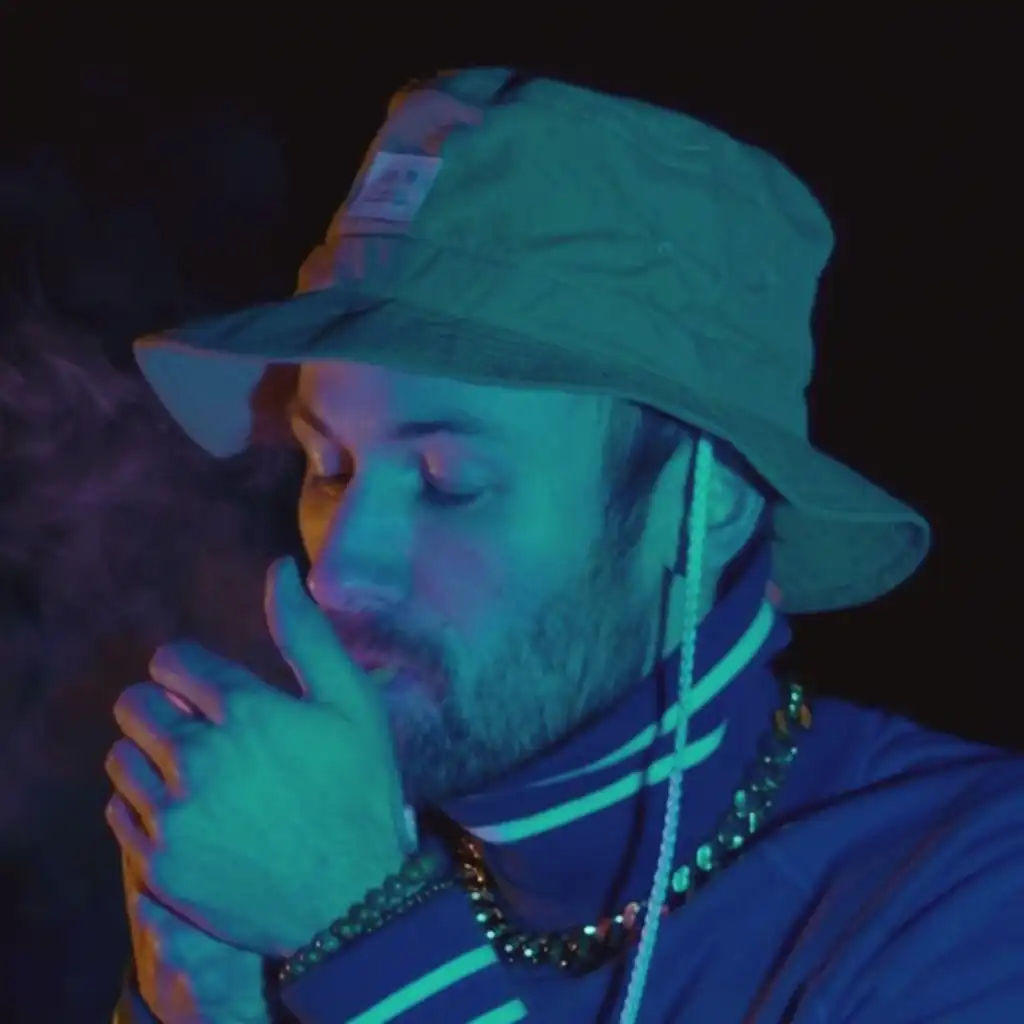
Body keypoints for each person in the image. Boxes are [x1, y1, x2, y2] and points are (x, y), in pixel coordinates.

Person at [108, 69, 1024, 1023]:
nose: (339, 572)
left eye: (448, 481)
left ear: (702, 505)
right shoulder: (306, 874)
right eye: (328, 467)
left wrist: (360, 935)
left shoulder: (973, 893)